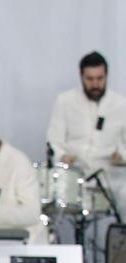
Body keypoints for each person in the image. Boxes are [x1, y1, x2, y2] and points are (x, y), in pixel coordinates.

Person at [46, 51, 126, 202]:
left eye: (100, 78)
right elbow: (54, 141)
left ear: (106, 76)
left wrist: (121, 155)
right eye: (90, 79)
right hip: (75, 174)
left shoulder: (121, 105)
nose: (95, 84)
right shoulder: (65, 101)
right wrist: (62, 156)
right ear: (81, 76)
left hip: (111, 177)